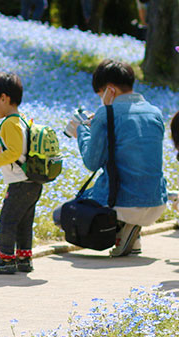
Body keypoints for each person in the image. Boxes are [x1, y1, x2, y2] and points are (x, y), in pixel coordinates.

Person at [54, 59, 167, 256]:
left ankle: (124, 229)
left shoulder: (106, 114)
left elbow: (92, 162)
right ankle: (132, 235)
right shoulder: (155, 113)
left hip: (124, 202)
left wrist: (81, 130)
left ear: (109, 90)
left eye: (100, 94)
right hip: (157, 200)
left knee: (59, 215)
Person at [0, 72, 42, 274]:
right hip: (32, 181)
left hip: (20, 183)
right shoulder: (23, 120)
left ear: (4, 99)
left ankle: (6, 260)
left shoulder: (9, 123)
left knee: (7, 221)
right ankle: (24, 259)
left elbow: (14, 152)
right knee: (24, 222)